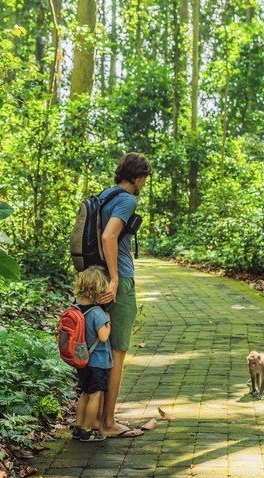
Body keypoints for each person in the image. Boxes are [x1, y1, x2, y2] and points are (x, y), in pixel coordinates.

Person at [98, 152, 152, 438]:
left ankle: (94, 418)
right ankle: (107, 422)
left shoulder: (104, 195)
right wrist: (116, 278)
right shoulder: (127, 200)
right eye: (144, 179)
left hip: (96, 279)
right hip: (117, 282)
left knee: (100, 349)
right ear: (138, 176)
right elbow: (108, 237)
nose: (143, 185)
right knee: (117, 352)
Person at [71, 266, 113, 442]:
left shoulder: (75, 307)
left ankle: (78, 427)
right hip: (98, 361)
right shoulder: (97, 313)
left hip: (83, 360)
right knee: (95, 394)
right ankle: (88, 430)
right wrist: (108, 321)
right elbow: (103, 337)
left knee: (85, 393)